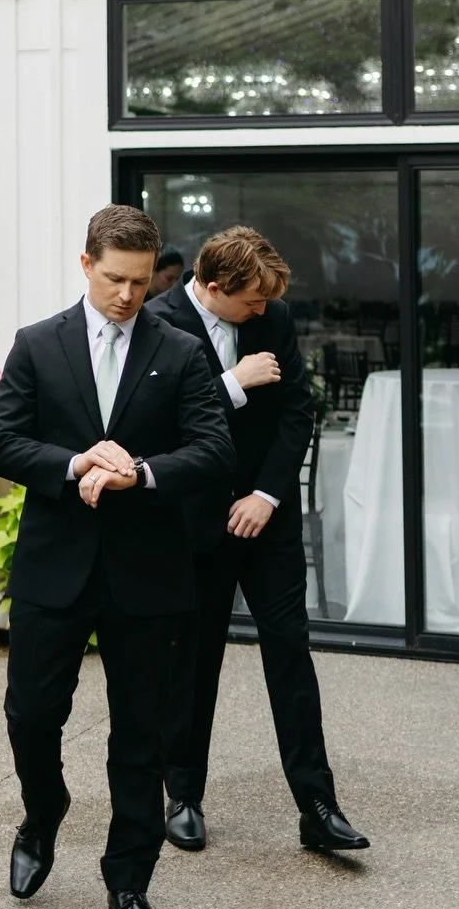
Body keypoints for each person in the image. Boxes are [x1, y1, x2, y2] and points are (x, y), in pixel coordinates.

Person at [0, 204, 233, 909]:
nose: (128, 296)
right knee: (30, 715)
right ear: (86, 264)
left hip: (149, 573)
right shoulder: (38, 344)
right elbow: (1, 444)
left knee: (142, 739)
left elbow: (214, 450)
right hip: (55, 567)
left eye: (141, 282)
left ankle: (129, 882)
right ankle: (43, 808)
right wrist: (74, 464)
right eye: (115, 279)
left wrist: (143, 472)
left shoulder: (182, 350)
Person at [151, 226, 369, 856]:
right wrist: (234, 383)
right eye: (250, 301)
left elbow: (300, 409)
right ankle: (183, 794)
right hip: (195, 522)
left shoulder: (273, 315)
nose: (262, 311)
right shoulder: (157, 320)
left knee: (291, 653)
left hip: (265, 518)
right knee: (194, 661)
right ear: (212, 288)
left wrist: (268, 496)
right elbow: (159, 424)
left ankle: (317, 805)